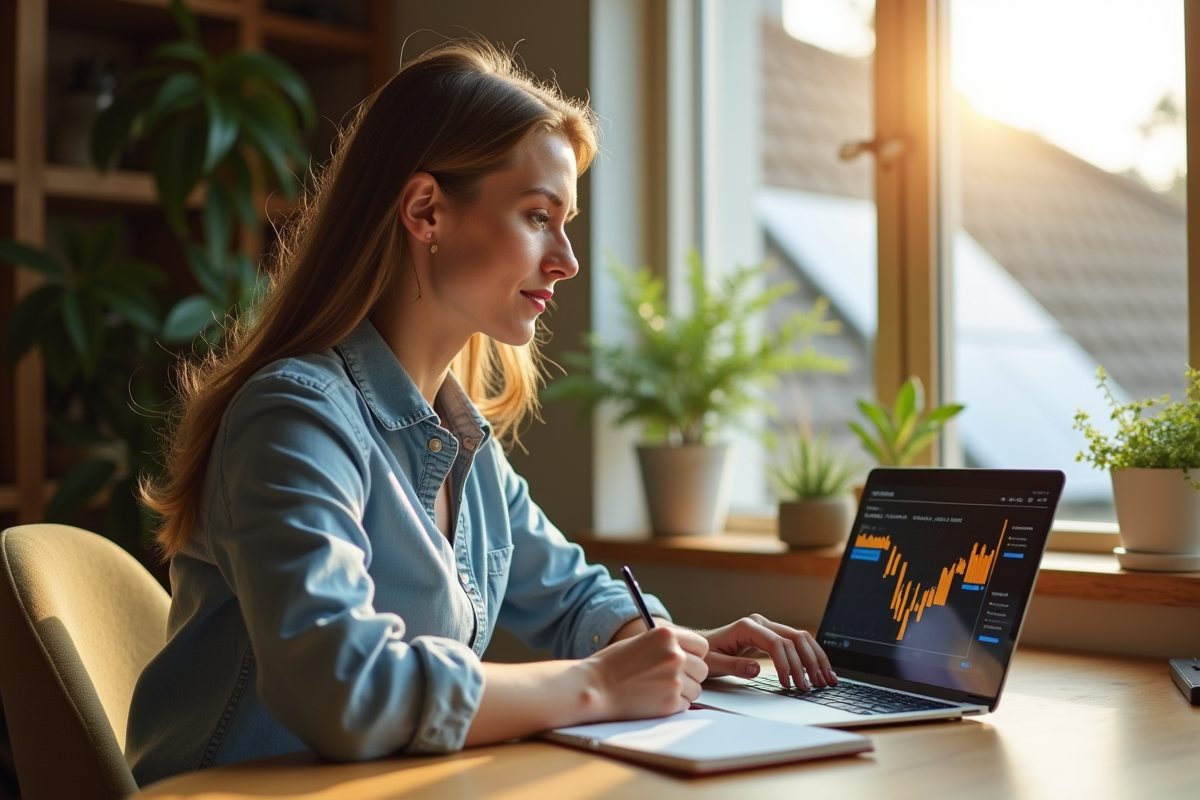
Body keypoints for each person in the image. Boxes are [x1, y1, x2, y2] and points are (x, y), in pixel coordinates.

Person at [125, 40, 836, 786]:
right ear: (426, 211)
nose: (567, 259)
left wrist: (676, 645)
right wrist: (596, 686)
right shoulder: (294, 419)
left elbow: (572, 594)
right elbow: (341, 688)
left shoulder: (461, 440)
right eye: (539, 216)